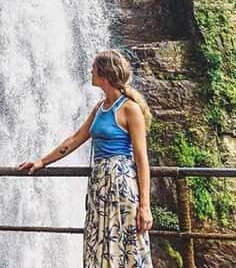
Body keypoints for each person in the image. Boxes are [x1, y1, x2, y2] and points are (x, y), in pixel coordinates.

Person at [17, 50, 154, 267]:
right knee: (100, 242)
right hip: (99, 186)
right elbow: (75, 138)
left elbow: (141, 160)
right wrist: (42, 161)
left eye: (94, 68)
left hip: (121, 185)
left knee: (126, 242)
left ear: (104, 73)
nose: (90, 70)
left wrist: (145, 205)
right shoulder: (100, 108)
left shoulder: (130, 109)